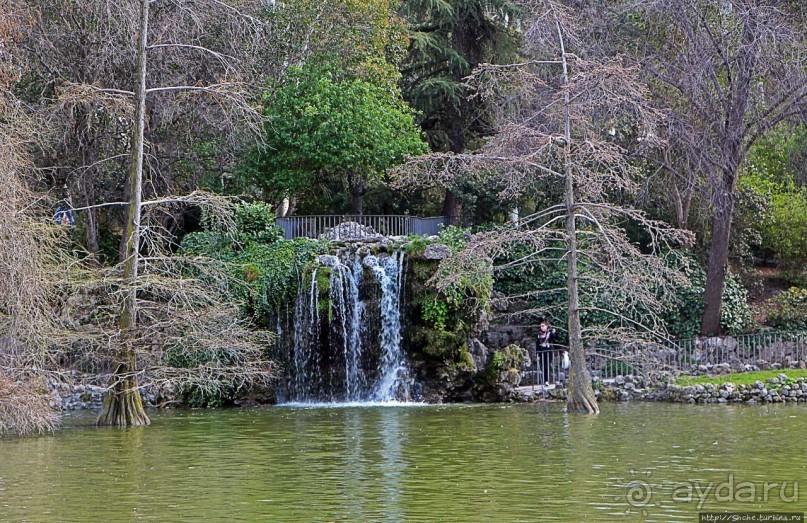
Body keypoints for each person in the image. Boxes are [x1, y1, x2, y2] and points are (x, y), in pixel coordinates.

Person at [536, 319, 556, 385]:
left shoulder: (549, 333)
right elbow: (537, 344)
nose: (541, 327)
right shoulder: (539, 334)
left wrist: (553, 332)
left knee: (547, 365)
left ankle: (547, 380)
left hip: (548, 350)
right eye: (541, 326)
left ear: (546, 326)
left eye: (543, 326)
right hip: (542, 351)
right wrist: (537, 353)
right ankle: (545, 380)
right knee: (543, 366)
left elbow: (554, 337)